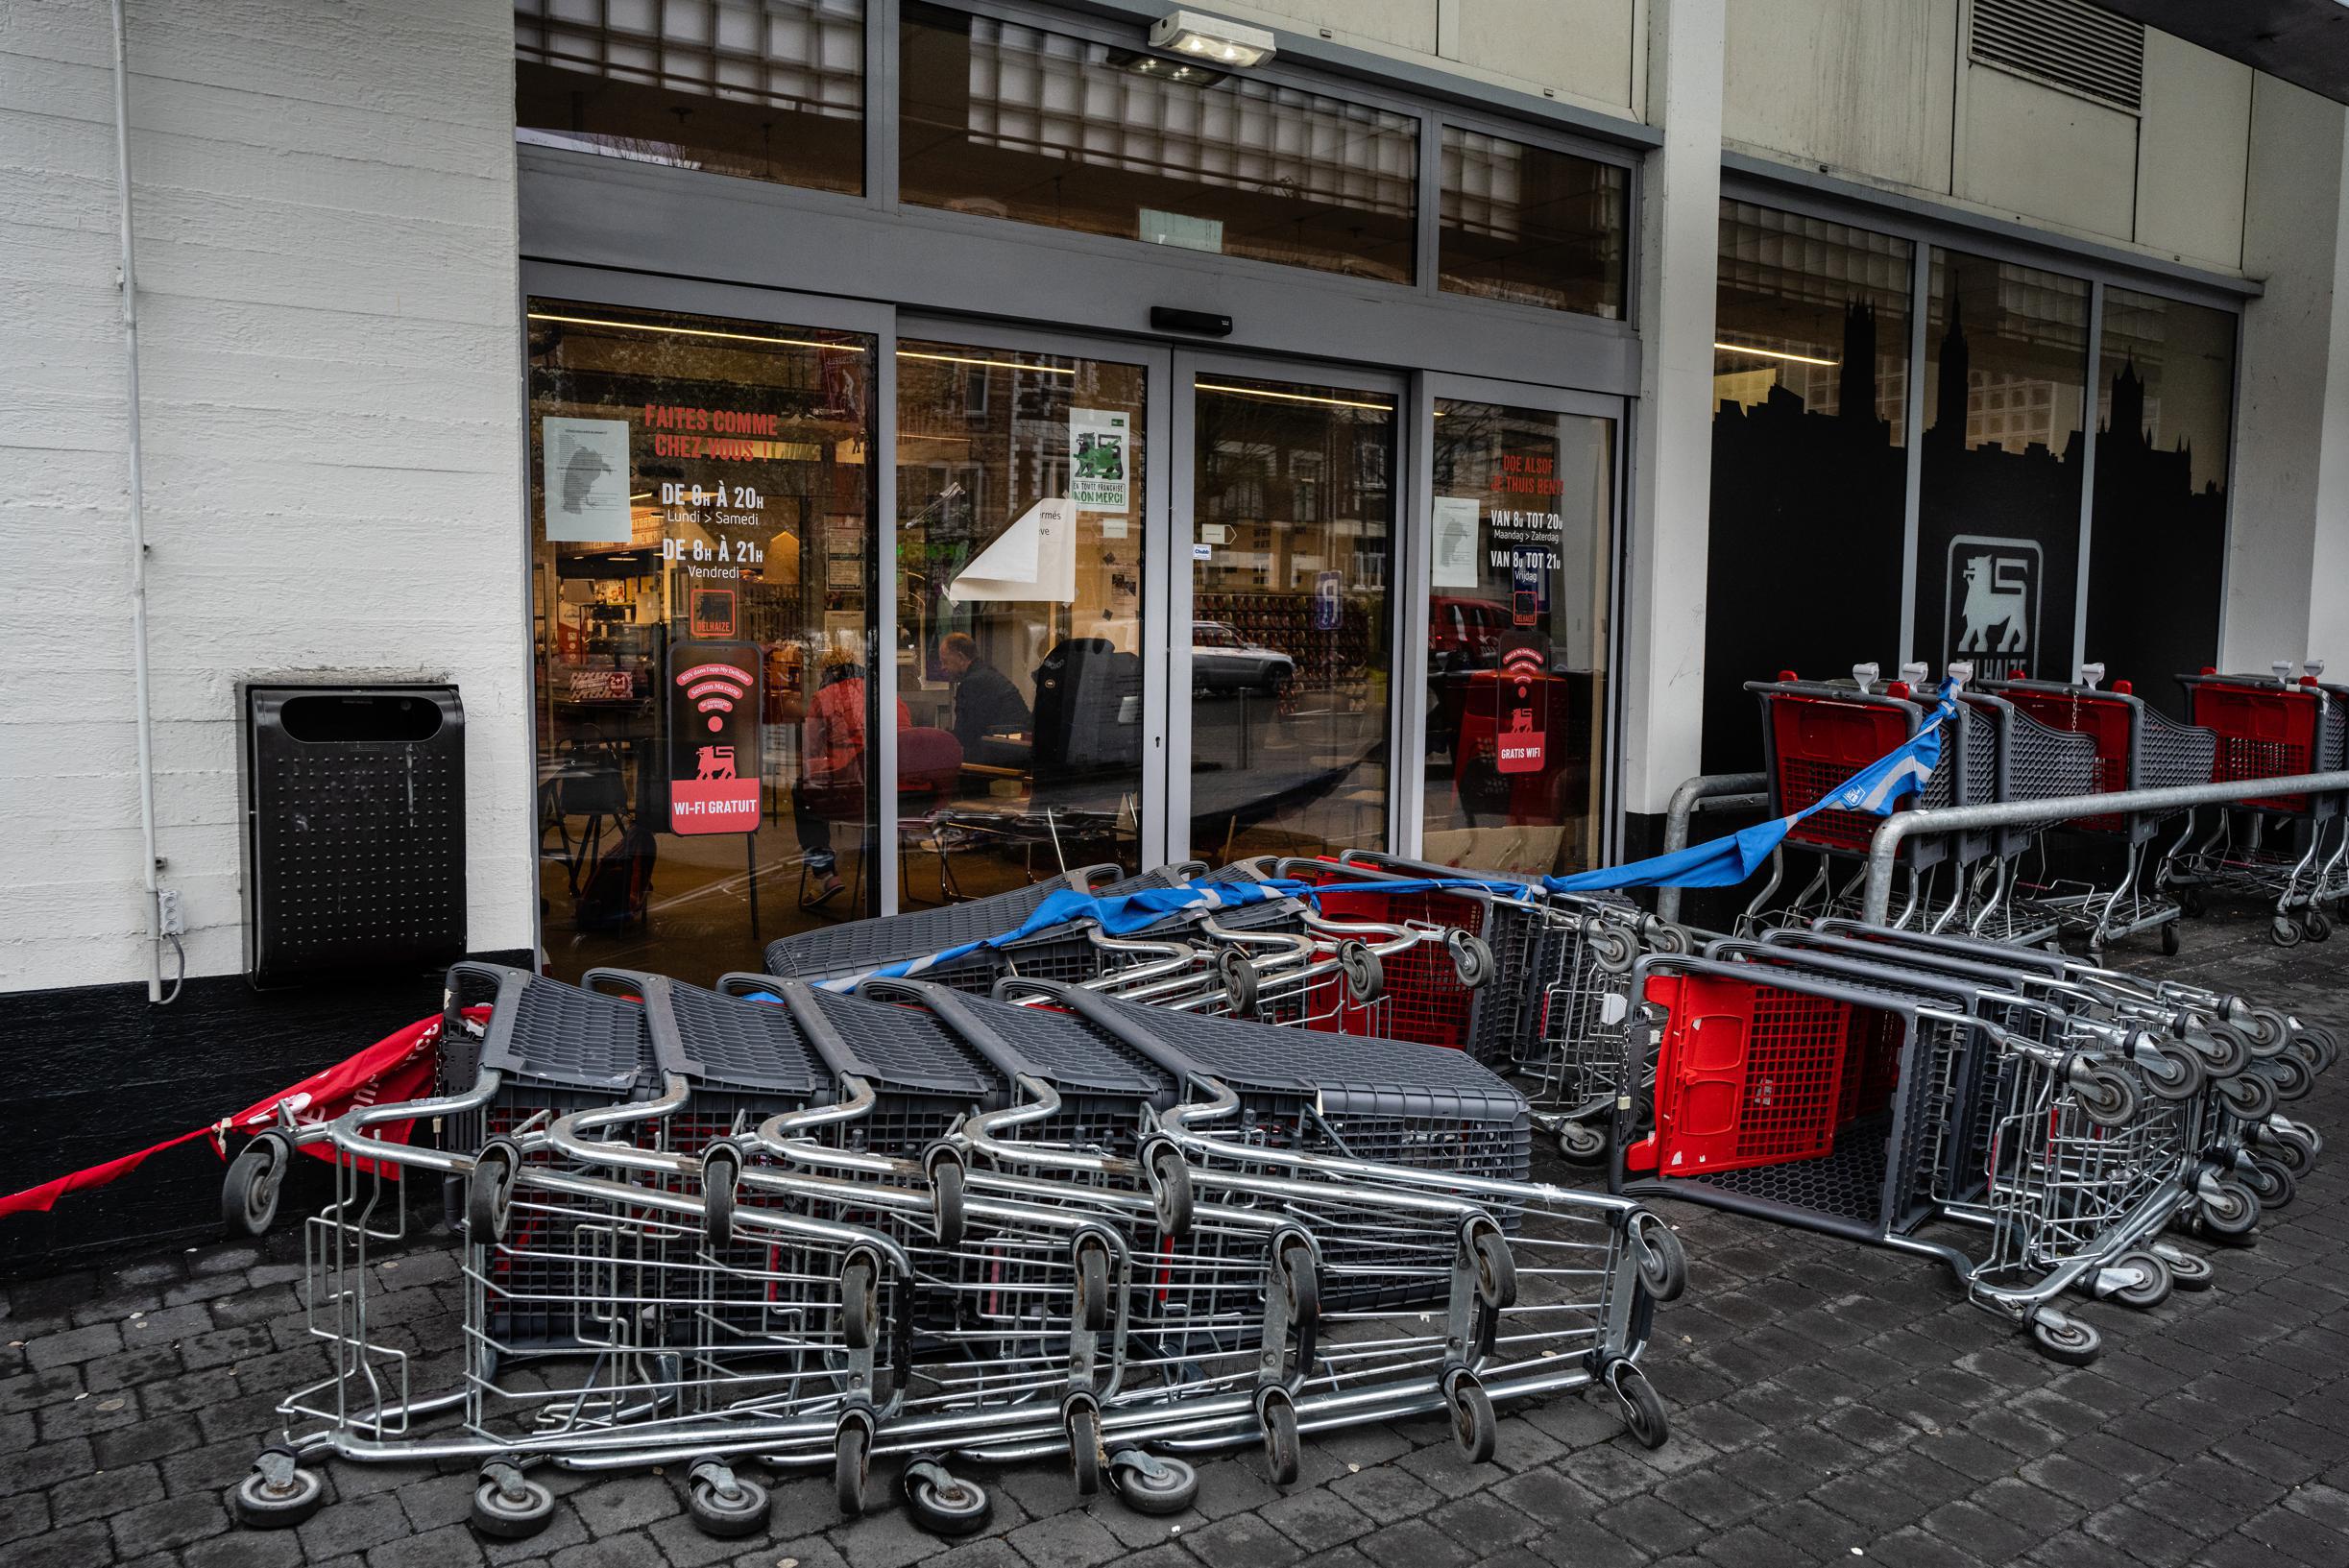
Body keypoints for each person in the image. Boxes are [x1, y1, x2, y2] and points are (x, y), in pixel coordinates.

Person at [794, 645, 910, 906]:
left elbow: (811, 752)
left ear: (828, 672)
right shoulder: (890, 696)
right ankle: (877, 878)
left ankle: (824, 874)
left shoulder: (823, 697)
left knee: (802, 792)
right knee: (876, 809)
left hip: (850, 792)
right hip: (899, 795)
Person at [938, 631, 1030, 766]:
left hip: (1003, 749)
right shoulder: (986, 674)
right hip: (1015, 745)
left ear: (960, 657)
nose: (943, 668)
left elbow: (965, 733)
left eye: (945, 661)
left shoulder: (972, 683)